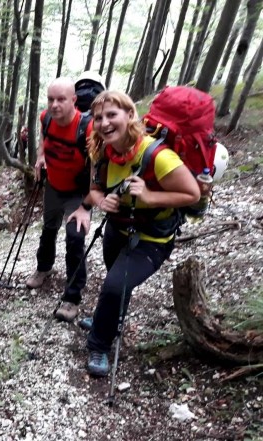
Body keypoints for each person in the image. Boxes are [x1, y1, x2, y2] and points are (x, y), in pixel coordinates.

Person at [68, 91, 200, 376]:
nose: (104, 123)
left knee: (115, 286)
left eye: (112, 115)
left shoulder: (158, 156)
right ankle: (109, 320)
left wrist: (151, 197)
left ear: (130, 116)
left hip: (152, 239)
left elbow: (192, 193)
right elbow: (94, 189)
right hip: (117, 229)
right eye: (99, 117)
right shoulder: (100, 150)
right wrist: (102, 201)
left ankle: (99, 345)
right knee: (116, 285)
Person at [26, 77, 94, 323]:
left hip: (77, 191)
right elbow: (44, 140)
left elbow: (99, 170)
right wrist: (40, 157)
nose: (55, 105)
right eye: (51, 99)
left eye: (61, 99)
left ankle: (72, 297)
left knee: (75, 238)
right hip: (53, 185)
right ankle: (44, 268)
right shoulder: (45, 118)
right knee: (48, 229)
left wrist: (87, 206)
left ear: (73, 100)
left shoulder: (87, 128)